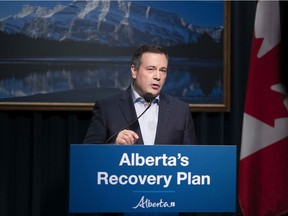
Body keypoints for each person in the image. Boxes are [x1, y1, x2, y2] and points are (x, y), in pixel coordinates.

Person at [83, 44, 197, 145]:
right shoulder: (107, 108)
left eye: (163, 70)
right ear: (134, 71)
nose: (158, 76)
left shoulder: (181, 111)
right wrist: (115, 147)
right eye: (151, 69)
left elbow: (192, 158)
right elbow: (87, 157)